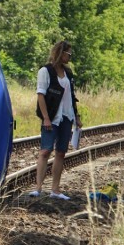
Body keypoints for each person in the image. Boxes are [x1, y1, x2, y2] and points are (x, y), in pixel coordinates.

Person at [30, 40, 81, 200]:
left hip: (67, 116)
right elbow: (41, 95)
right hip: (51, 117)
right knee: (45, 151)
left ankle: (55, 189)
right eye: (68, 54)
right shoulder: (45, 71)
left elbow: (72, 97)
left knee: (61, 152)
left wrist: (77, 116)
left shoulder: (69, 73)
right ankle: (38, 188)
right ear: (60, 52)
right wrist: (45, 118)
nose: (70, 57)